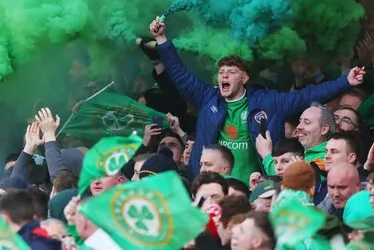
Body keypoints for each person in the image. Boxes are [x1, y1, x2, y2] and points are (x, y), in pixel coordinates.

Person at [149, 17, 364, 180]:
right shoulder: (208, 98)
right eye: (221, 71)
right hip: (210, 185)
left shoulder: (269, 102)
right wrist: (161, 39)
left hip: (254, 189)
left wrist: (346, 81)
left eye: (231, 72)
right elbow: (181, 76)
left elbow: (308, 95)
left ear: (245, 78)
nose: (224, 75)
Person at [257, 103, 335, 175]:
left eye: (307, 122)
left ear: (324, 130)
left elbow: (292, 176)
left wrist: (266, 155)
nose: (299, 127)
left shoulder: (327, 157)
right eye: (300, 121)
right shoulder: (301, 151)